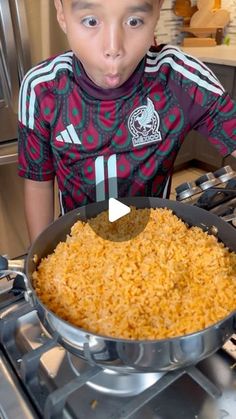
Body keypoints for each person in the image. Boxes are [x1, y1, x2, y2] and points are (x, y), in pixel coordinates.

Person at [18, 0, 236, 242]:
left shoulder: (178, 77)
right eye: (91, 21)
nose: (113, 48)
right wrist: (40, 258)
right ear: (61, 13)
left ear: (156, 13)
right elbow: (39, 184)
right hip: (76, 251)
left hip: (155, 248)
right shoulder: (42, 88)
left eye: (134, 21)